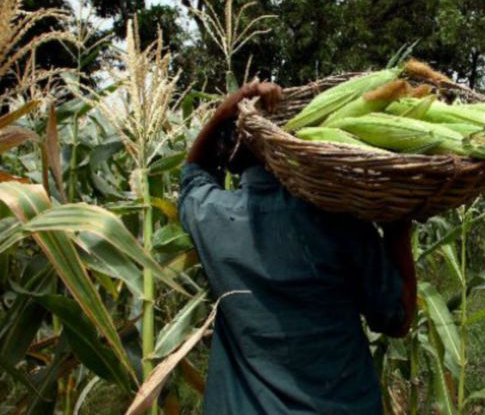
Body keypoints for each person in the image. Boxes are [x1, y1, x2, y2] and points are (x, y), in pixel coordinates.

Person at [178, 80, 417, 415]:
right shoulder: (340, 220)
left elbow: (193, 173)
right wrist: (398, 223)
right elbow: (397, 318)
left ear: (231, 157)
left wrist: (227, 109)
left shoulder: (211, 216)